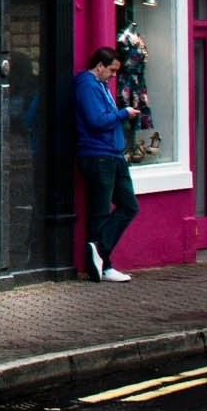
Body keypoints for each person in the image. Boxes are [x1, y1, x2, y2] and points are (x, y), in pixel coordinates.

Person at [74, 47, 138, 282]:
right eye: (111, 70)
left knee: (129, 205)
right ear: (99, 65)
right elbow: (96, 121)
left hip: (114, 155)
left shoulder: (100, 85)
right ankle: (102, 265)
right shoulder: (87, 85)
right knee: (100, 212)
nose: (113, 75)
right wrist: (123, 114)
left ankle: (100, 251)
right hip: (98, 155)